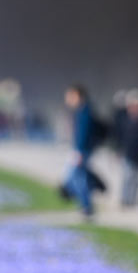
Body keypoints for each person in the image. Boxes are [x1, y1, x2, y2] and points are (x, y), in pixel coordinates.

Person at [57, 84, 108, 220]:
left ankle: (87, 204)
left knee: (77, 178)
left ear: (78, 96)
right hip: (80, 149)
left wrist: (78, 151)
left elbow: (83, 134)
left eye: (70, 96)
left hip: (82, 150)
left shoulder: (85, 111)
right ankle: (90, 196)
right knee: (77, 177)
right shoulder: (82, 110)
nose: (68, 99)